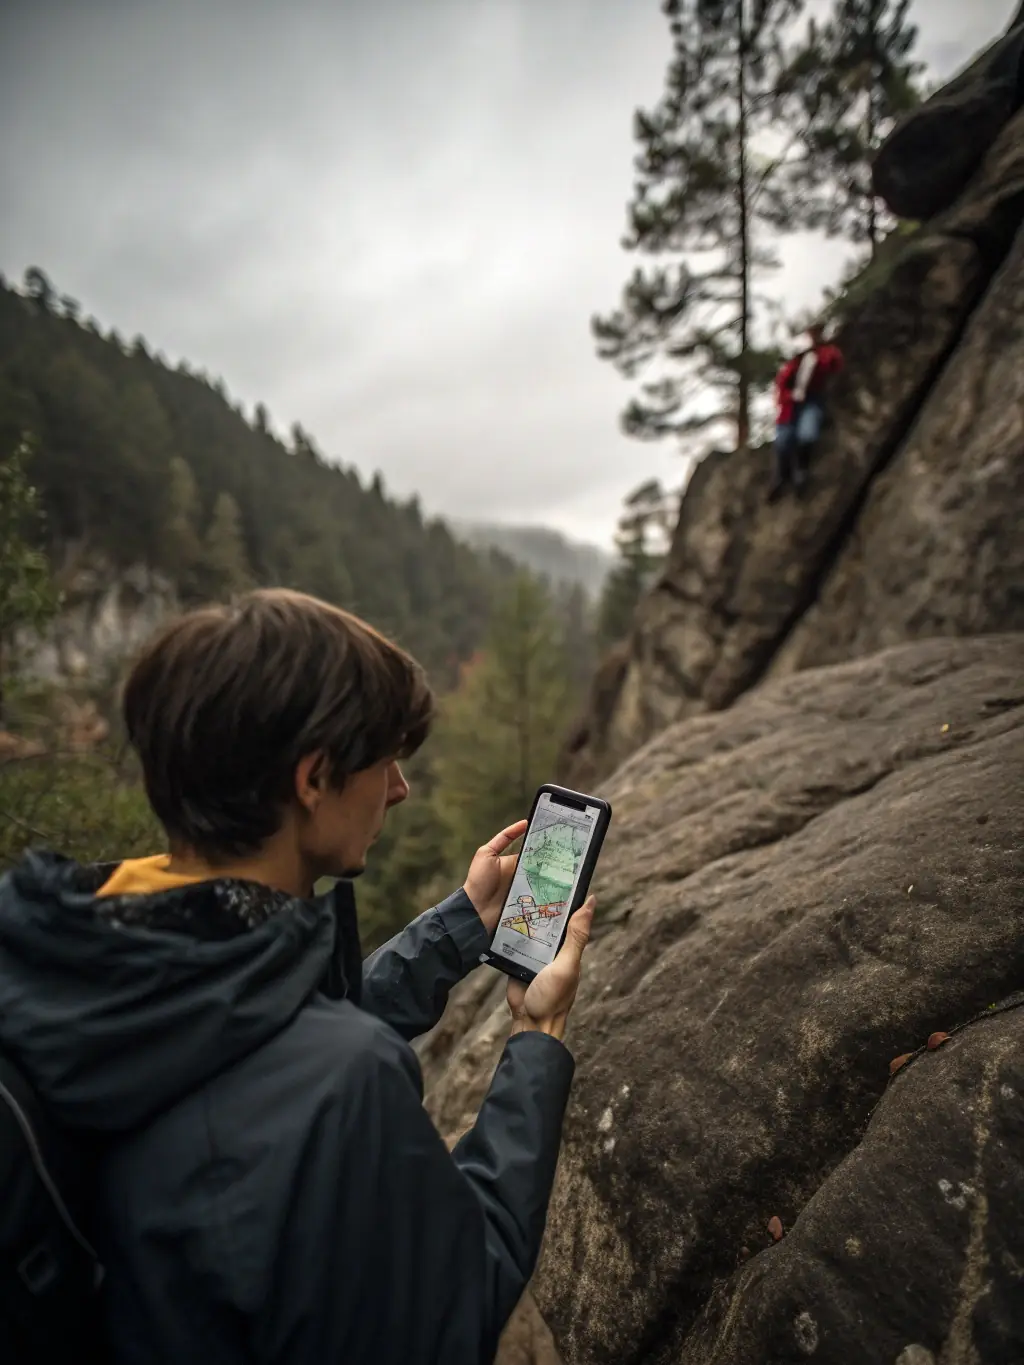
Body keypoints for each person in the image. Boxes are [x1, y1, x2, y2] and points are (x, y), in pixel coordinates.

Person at [0, 589, 595, 1365]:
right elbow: (452, 1306)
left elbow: (256, 1032)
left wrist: (461, 925)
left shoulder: (75, 943)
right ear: (314, 779)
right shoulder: (345, 1086)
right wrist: (536, 1039)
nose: (399, 789)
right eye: (384, 762)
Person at [768, 323, 844, 501]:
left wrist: (822, 350)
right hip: (790, 405)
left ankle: (801, 471)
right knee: (784, 440)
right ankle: (781, 476)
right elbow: (782, 383)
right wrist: (790, 396)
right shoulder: (797, 359)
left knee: (807, 434)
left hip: (812, 401)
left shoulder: (824, 353)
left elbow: (834, 363)